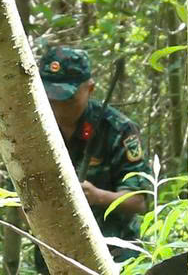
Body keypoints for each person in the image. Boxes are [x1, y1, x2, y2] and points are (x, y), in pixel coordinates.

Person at [37, 45, 154, 256]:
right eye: (50, 98)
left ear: (89, 89)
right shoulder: (35, 130)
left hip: (115, 252)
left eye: (67, 100)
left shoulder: (118, 129)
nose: (58, 108)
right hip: (59, 253)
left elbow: (139, 200)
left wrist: (97, 196)